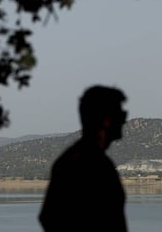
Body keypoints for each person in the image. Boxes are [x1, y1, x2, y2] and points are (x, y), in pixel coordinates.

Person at [39, 85, 128, 231]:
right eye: (121, 115)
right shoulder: (91, 163)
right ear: (107, 120)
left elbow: (48, 217)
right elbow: (49, 216)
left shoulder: (75, 159)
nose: (124, 121)